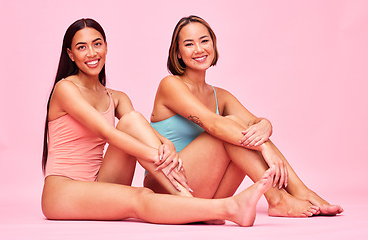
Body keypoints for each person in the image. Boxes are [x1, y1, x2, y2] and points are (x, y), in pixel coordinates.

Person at [41, 18, 276, 227]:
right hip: (64, 189)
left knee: (132, 119)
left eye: (97, 44)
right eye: (82, 47)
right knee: (139, 196)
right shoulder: (65, 89)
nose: (92, 53)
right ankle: (222, 207)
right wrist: (158, 156)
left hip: (102, 181)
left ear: (106, 47)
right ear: (71, 54)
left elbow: (138, 128)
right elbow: (108, 133)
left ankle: (191, 203)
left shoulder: (116, 97)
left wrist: (166, 145)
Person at [144, 15, 343, 217]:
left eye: (204, 41)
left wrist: (265, 125)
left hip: (205, 194)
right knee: (230, 127)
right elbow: (213, 124)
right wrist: (263, 147)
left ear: (213, 44)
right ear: (177, 53)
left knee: (244, 131)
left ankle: (302, 191)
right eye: (189, 44)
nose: (199, 49)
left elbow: (254, 123)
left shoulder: (220, 96)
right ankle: (277, 199)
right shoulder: (170, 85)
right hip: (166, 185)